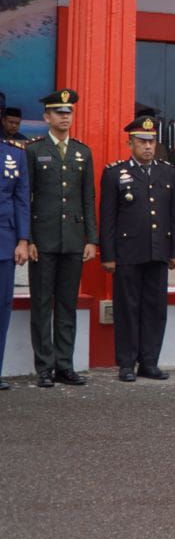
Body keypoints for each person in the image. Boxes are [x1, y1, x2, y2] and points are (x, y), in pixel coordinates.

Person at [99, 116, 175, 382]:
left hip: (158, 251)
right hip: (128, 252)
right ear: (130, 143)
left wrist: (174, 251)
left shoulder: (167, 172)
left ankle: (149, 362)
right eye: (142, 142)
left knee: (155, 309)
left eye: (152, 141)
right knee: (127, 309)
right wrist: (108, 255)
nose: (148, 147)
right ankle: (126, 363)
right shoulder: (115, 173)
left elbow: (173, 214)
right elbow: (108, 217)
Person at [26, 90, 97, 387]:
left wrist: (91, 238)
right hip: (42, 239)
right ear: (46, 117)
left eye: (68, 112)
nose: (64, 117)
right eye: (58, 112)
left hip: (73, 239)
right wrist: (27, 238)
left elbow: (88, 198)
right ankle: (44, 367)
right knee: (42, 303)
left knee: (67, 304)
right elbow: (24, 199)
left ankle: (64, 365)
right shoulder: (34, 150)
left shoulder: (82, 151)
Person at [0, 95, 29, 391]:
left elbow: (21, 199)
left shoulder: (13, 153)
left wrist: (23, 240)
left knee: (2, 307)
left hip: (4, 242)